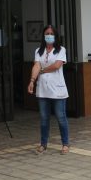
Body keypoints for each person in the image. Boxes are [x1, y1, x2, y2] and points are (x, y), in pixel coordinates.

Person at [28, 25, 70, 155]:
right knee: (44, 118)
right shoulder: (39, 51)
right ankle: (43, 144)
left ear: (55, 36)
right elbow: (36, 65)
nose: (49, 35)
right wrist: (32, 81)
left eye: (51, 33)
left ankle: (65, 144)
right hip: (43, 90)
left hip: (58, 90)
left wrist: (41, 70)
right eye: (47, 33)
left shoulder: (61, 50)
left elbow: (57, 66)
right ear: (43, 35)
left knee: (61, 117)